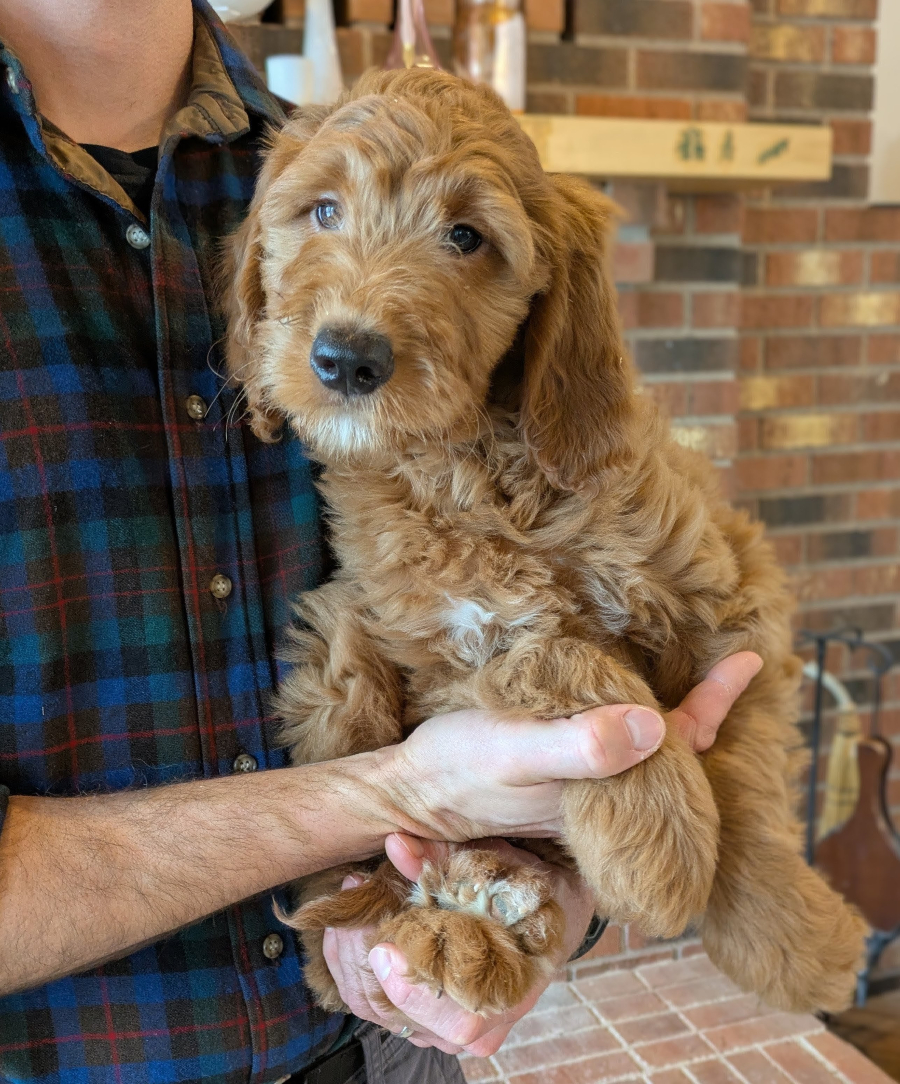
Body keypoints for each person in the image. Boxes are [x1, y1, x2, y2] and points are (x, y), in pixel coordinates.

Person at [0, 0, 763, 1081]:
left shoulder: (330, 142)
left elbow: (522, 609)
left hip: (381, 1054)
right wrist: (402, 795)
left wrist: (537, 872)